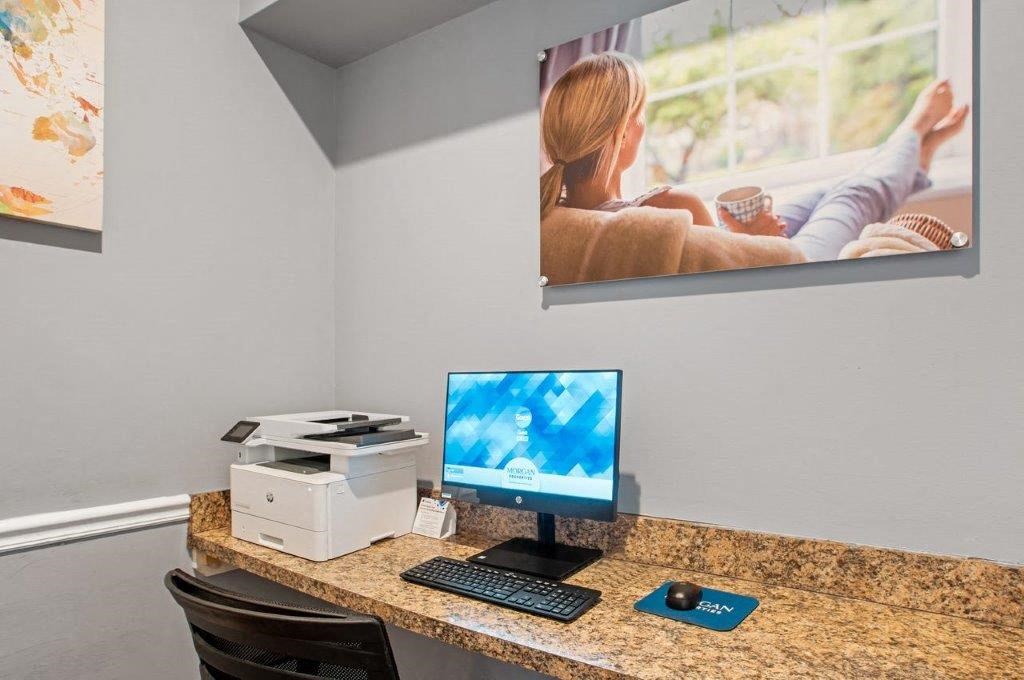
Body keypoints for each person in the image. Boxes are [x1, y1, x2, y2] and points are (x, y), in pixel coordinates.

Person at [539, 52, 969, 262]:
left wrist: (740, 235)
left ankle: (912, 157)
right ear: (621, 132)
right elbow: (752, 279)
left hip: (747, 243)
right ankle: (912, 136)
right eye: (640, 117)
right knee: (855, 194)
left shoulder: (556, 219)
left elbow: (713, 258)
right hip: (794, 265)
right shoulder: (670, 209)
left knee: (829, 189)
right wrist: (761, 239)